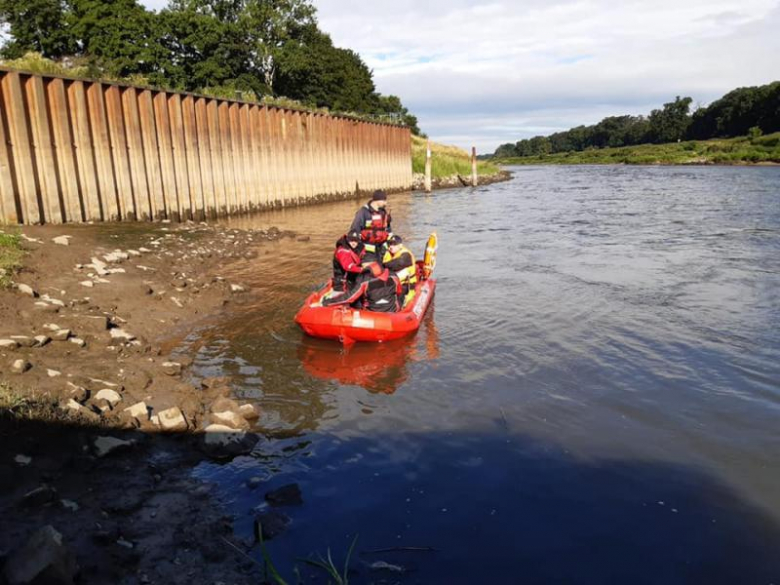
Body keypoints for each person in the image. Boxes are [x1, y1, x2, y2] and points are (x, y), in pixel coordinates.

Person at [349, 190, 392, 264]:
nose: (386, 203)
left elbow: (387, 229)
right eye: (384, 200)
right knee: (371, 270)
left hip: (381, 249)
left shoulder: (383, 212)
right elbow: (355, 230)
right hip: (367, 251)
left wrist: (390, 244)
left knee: (382, 268)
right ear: (377, 200)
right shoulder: (363, 212)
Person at [383, 234, 417, 307]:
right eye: (389, 244)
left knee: (400, 295)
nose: (391, 246)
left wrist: (384, 265)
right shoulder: (389, 254)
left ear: (400, 245)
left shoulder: (406, 255)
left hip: (406, 285)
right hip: (393, 283)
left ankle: (398, 308)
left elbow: (397, 264)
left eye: (394, 244)